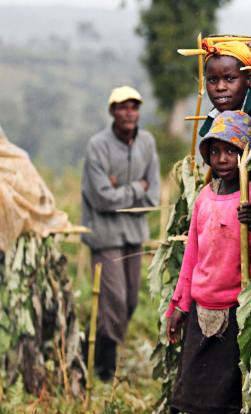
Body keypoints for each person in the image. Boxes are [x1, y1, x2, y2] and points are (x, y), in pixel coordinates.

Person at [165, 111, 251, 413]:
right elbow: (192, 257)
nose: (222, 159)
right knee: (192, 393)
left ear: (247, 153)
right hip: (201, 309)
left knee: (227, 398)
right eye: (216, 151)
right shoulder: (204, 198)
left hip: (236, 311)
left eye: (232, 151)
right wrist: (180, 305)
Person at [81, 85, 160, 381]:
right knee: (113, 301)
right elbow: (101, 198)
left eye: (134, 107)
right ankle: (104, 368)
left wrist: (120, 191)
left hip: (134, 234)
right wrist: (136, 188)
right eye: (123, 107)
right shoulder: (98, 146)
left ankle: (87, 351)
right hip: (105, 236)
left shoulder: (147, 143)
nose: (129, 112)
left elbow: (152, 197)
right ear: (112, 111)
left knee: (129, 303)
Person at [199, 38, 251, 142]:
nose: (220, 87)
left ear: (249, 78)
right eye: (213, 80)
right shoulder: (214, 118)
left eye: (230, 79)